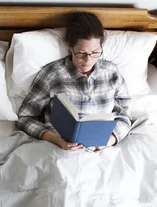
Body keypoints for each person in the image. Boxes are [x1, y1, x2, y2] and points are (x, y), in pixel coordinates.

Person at [16, 11, 132, 152]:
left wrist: (110, 140)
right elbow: (25, 117)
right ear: (69, 46)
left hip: (103, 148)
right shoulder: (53, 73)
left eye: (95, 52)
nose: (88, 61)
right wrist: (55, 139)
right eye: (81, 53)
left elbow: (125, 114)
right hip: (59, 148)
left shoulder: (111, 72)